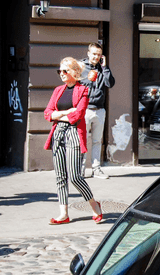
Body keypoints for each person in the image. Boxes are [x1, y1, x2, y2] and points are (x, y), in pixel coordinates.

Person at [44, 57, 103, 225]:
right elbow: (48, 113)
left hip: (74, 134)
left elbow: (78, 115)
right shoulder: (58, 90)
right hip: (58, 134)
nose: (61, 73)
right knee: (60, 176)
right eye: (59, 71)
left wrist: (58, 115)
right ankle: (63, 214)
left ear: (75, 72)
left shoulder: (83, 90)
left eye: (65, 70)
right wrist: (65, 112)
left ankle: (94, 205)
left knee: (75, 176)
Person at [80, 43, 115, 179]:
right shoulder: (81, 67)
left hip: (99, 110)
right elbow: (75, 86)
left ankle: (96, 169)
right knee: (82, 141)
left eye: (99, 54)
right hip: (85, 110)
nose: (96, 57)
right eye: (94, 54)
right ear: (88, 53)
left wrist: (105, 67)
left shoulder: (102, 68)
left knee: (97, 141)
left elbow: (110, 83)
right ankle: (80, 170)